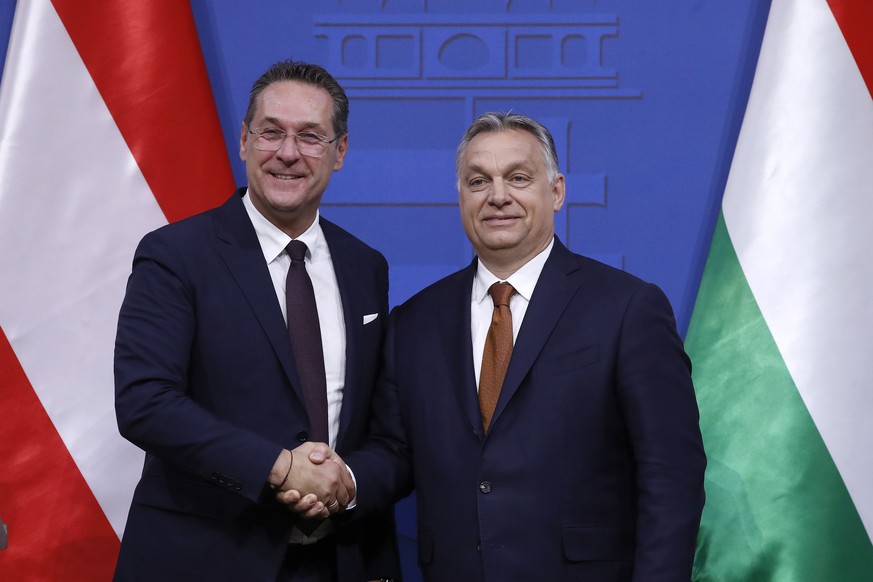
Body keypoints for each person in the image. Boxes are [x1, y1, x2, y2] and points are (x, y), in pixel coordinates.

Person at [339, 112, 707, 580]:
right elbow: (395, 452)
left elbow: (671, 474)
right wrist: (342, 483)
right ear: (460, 198)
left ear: (556, 192)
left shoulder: (628, 308)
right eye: (478, 181)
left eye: (517, 177)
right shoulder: (413, 323)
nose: (497, 196)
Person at [113, 60, 400, 582]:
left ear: (340, 153)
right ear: (244, 140)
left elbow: (385, 424)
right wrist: (277, 466)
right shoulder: (175, 255)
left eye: (310, 137)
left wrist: (349, 481)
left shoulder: (366, 267)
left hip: (341, 558)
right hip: (206, 556)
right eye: (271, 132)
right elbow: (144, 402)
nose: (287, 153)